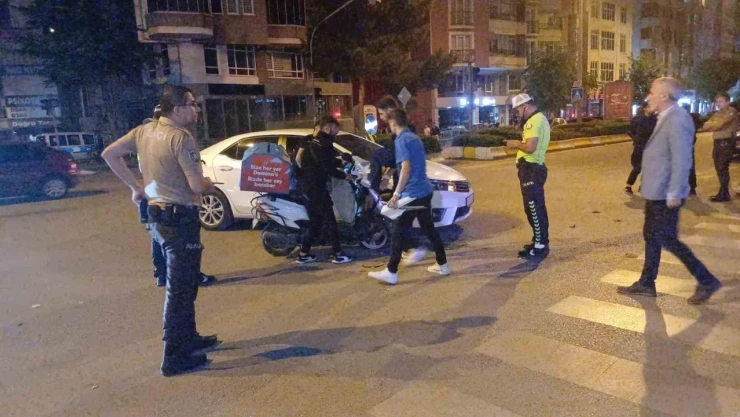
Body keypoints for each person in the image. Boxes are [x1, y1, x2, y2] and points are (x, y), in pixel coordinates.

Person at [102, 85, 219, 376]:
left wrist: (136, 187)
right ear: (177, 109)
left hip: (159, 215)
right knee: (179, 289)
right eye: (192, 104)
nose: (197, 109)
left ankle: (189, 338)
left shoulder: (144, 131)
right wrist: (210, 183)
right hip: (180, 218)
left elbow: (110, 154)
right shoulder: (181, 137)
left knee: (185, 283)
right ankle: (174, 357)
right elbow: (196, 185)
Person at [617, 77, 722, 305]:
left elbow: (682, 158)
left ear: (664, 96)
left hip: (666, 193)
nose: (648, 97)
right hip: (656, 191)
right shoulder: (663, 116)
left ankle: (706, 280)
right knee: (651, 236)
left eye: (652, 92)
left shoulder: (677, 119)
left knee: (667, 239)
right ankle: (647, 282)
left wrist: (675, 191)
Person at [368, 109, 449, 285]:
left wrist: (396, 195)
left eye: (389, 123)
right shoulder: (414, 138)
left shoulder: (401, 140)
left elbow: (405, 168)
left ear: (393, 123)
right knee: (429, 229)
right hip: (425, 190)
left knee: (397, 229)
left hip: (413, 193)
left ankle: (392, 271)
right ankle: (442, 265)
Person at [140, 105, 216, 287]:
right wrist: (205, 184)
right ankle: (190, 276)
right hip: (174, 201)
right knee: (185, 242)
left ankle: (162, 274)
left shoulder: (148, 139)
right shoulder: (172, 138)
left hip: (152, 196)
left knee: (159, 239)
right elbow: (186, 177)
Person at [295, 116, 353, 265]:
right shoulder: (324, 143)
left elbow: (322, 161)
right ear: (327, 128)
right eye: (335, 129)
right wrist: (345, 176)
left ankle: (303, 254)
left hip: (306, 187)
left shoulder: (309, 142)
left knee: (315, 222)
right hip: (317, 189)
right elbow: (328, 167)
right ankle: (338, 254)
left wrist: (340, 162)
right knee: (330, 221)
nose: (336, 132)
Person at [505, 93, 551, 259]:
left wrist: (515, 144)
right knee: (536, 207)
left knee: (533, 208)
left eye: (518, 110)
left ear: (525, 107)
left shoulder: (533, 121)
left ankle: (540, 246)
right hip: (534, 168)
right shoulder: (540, 119)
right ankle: (539, 240)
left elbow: (530, 148)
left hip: (531, 169)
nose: (518, 114)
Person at [700, 92, 739, 202]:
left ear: (727, 102)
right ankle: (723, 193)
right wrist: (714, 125)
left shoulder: (731, 111)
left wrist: (714, 125)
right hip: (717, 143)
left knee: (722, 168)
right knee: (718, 168)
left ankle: (724, 194)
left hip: (726, 143)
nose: (718, 104)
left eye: (721, 101)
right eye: (717, 102)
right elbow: (705, 126)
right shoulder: (717, 113)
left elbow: (720, 124)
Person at [624, 104, 657, 195]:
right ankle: (628, 185)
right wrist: (636, 139)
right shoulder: (637, 119)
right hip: (639, 146)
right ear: (645, 108)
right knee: (637, 167)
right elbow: (630, 131)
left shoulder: (655, 120)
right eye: (649, 107)